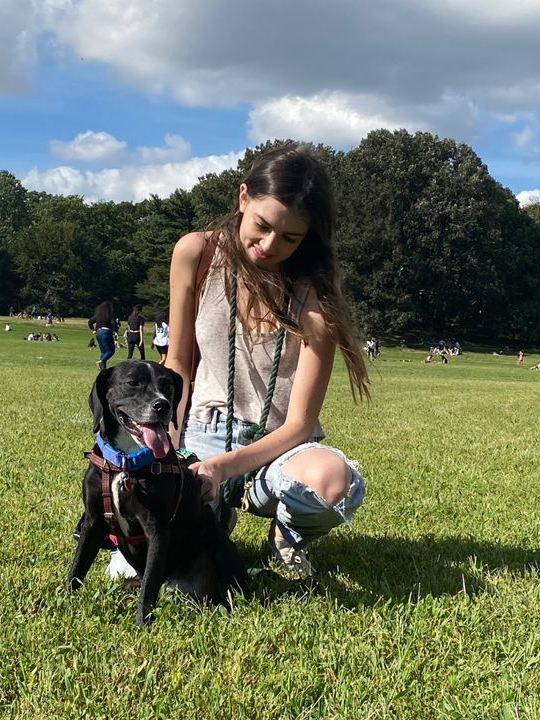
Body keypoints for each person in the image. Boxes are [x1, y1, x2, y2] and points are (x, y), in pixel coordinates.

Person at [149, 142, 370, 582]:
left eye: (291, 237)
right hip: (203, 431)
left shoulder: (315, 301)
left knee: (333, 484)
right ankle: (213, 517)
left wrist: (223, 469)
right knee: (139, 569)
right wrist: (169, 448)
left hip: (279, 448)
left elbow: (299, 426)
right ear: (243, 196)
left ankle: (286, 534)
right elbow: (178, 362)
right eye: (263, 226)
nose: (269, 246)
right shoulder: (197, 253)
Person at [88, 301, 119, 369]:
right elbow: (113, 323)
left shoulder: (98, 315)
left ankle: (103, 368)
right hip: (106, 332)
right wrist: (116, 331)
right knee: (110, 351)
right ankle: (101, 361)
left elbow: (90, 321)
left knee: (103, 352)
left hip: (98, 332)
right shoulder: (110, 315)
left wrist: (93, 330)